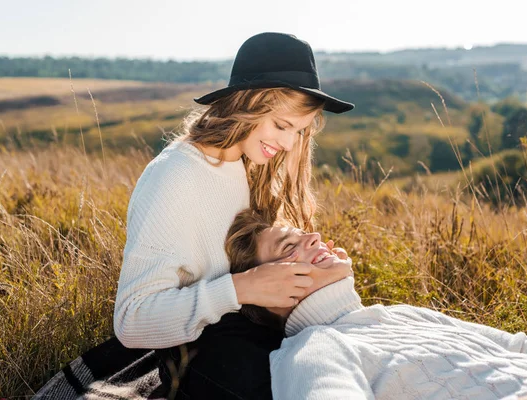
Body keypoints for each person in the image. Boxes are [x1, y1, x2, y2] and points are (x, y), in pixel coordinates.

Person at [113, 32, 355, 399]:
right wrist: (244, 288)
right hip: (207, 356)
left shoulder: (243, 165)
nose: (289, 144)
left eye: (299, 131)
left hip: (249, 333)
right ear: (248, 104)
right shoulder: (175, 177)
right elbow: (132, 322)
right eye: (281, 125)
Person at [225, 208, 527, 400]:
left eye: (306, 234)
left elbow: (525, 349)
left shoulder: (403, 314)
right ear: (269, 292)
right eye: (290, 246)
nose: (316, 237)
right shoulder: (314, 349)